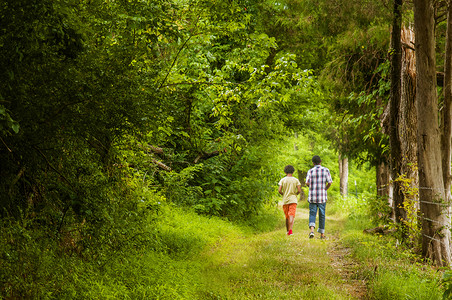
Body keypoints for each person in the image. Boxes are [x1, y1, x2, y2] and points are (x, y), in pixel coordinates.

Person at [305, 155, 332, 239]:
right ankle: (322, 235)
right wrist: (325, 188)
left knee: (312, 213)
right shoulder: (326, 170)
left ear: (313, 163)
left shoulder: (310, 171)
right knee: (322, 215)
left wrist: (312, 186)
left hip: (312, 196)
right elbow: (330, 182)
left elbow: (307, 183)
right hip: (322, 197)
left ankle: (312, 231)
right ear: (321, 161)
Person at [278, 165, 302, 236]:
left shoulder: (283, 180)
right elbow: (299, 190)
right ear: (293, 172)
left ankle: (287, 231)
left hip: (285, 200)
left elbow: (279, 190)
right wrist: (295, 194)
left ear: (285, 172)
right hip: (293, 200)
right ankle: (290, 231)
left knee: (287, 217)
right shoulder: (296, 180)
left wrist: (284, 194)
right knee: (291, 215)